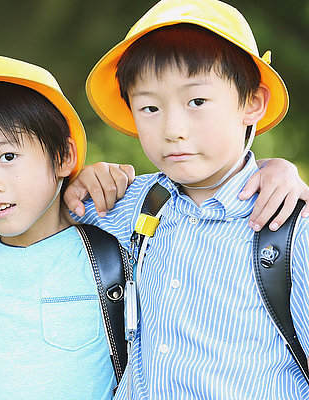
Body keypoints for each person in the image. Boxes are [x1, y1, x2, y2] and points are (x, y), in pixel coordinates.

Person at [0, 54, 308, 399]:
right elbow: (16, 212)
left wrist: (275, 168)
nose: (174, 129)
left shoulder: (122, 227)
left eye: (9, 156)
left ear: (63, 156)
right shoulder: (125, 210)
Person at [67, 0, 309, 398]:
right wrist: (79, 184)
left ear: (252, 103)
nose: (173, 129)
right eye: (149, 107)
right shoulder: (131, 204)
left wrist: (279, 165)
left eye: (196, 101)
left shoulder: (289, 229)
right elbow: (29, 212)